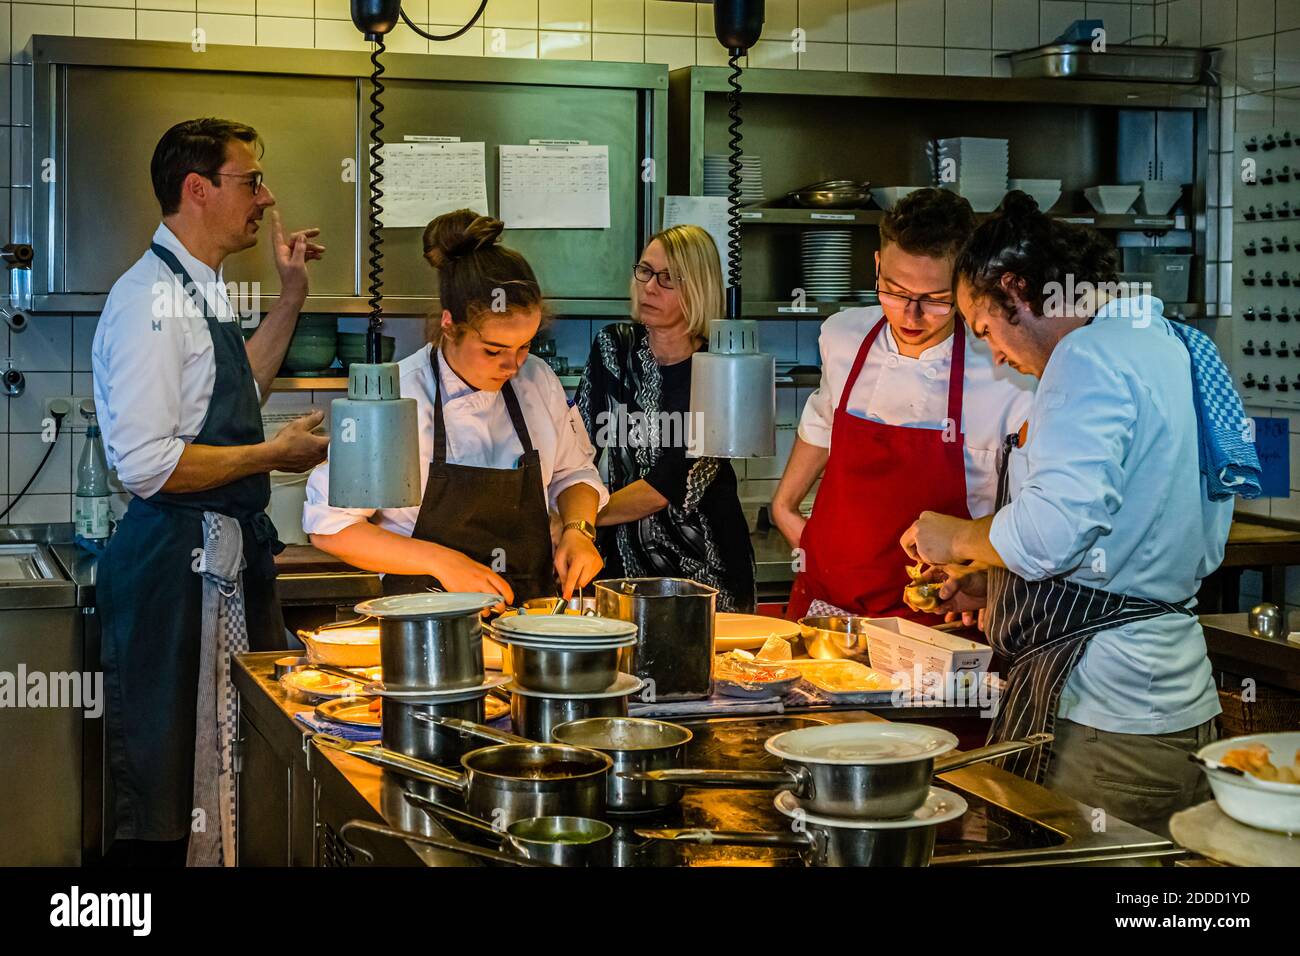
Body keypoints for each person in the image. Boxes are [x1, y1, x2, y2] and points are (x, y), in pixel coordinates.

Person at [900, 191, 1247, 838]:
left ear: (1017, 290)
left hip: (1109, 721)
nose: (997, 355)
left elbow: (1049, 537)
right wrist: (996, 583)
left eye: (986, 330)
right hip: (1170, 706)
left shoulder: (1086, 358)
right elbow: (1145, 543)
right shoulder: (1168, 343)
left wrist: (957, 539)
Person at [94, 117, 329, 866]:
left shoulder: (201, 287)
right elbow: (146, 465)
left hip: (217, 564)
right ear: (198, 190)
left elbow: (241, 389)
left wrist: (290, 295)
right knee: (171, 790)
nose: (265, 198)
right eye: (250, 181)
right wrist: (273, 452)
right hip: (175, 575)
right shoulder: (146, 302)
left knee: (229, 772)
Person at [304, 209, 606, 604]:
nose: (513, 365)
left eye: (525, 345)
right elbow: (329, 526)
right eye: (493, 350)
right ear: (449, 325)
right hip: (423, 626)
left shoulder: (537, 379)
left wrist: (578, 530)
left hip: (529, 622)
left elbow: (575, 473)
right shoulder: (398, 398)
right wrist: (445, 563)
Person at [772, 188, 1035, 621]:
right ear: (877, 266)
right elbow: (823, 420)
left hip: (934, 623)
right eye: (893, 291)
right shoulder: (843, 336)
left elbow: (1026, 514)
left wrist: (984, 580)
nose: (910, 316)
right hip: (826, 608)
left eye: (934, 300)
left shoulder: (1005, 372)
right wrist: (784, 507)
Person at [576, 225, 756, 612]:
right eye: (644, 271)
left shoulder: (721, 370)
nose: (649, 287)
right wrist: (566, 510)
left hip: (701, 571)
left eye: (668, 279)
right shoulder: (613, 346)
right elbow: (576, 443)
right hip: (615, 564)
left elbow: (664, 487)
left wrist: (577, 520)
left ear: (700, 288)